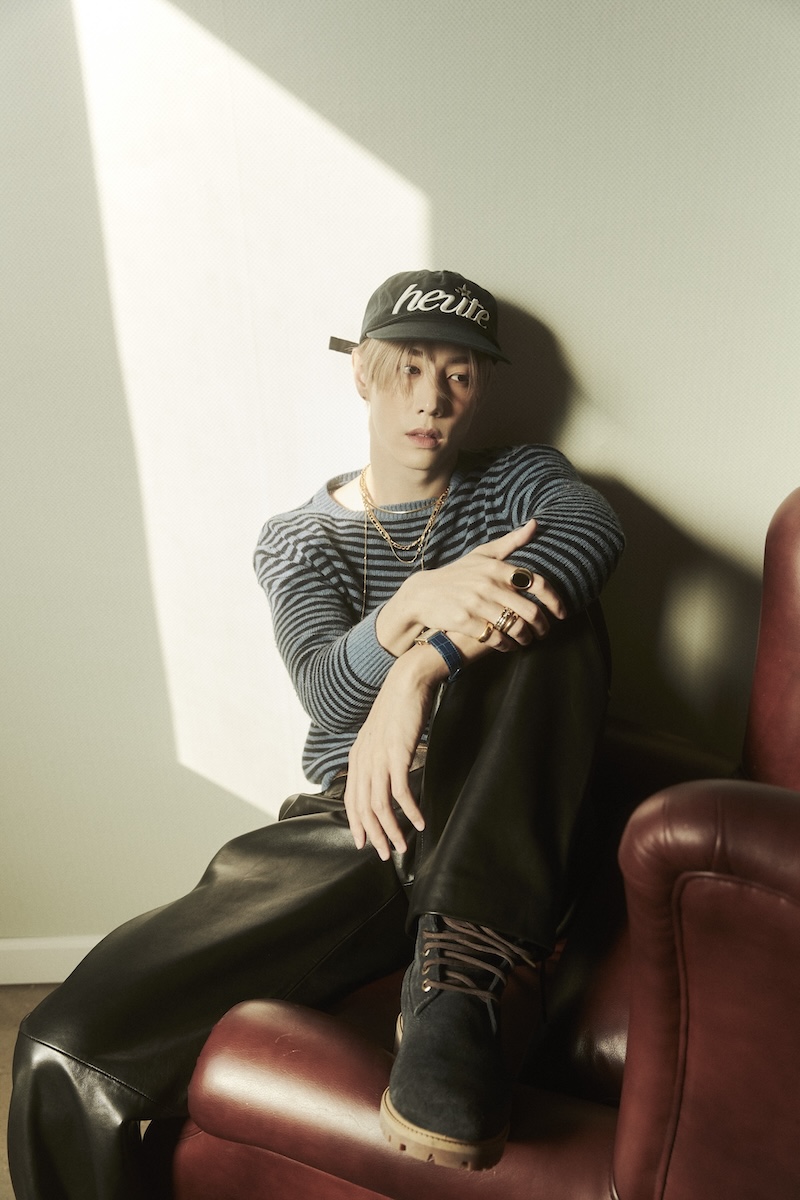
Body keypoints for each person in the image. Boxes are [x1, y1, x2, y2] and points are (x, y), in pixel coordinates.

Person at [8, 269, 624, 1196]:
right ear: (363, 372)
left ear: (480, 388)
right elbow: (328, 696)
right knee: (62, 1049)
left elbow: (588, 532)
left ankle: (463, 981)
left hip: (489, 809)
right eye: (409, 367)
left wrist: (422, 669)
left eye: (458, 374)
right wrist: (412, 605)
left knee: (562, 610)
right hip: (352, 823)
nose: (431, 399)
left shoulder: (517, 481)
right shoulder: (299, 538)